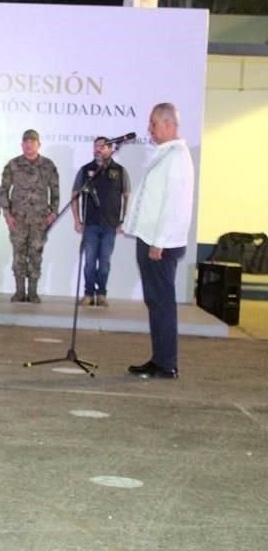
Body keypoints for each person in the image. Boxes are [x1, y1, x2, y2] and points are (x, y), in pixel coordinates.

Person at [125, 103, 194, 379]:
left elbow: (173, 205)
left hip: (160, 243)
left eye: (153, 123)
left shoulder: (176, 156)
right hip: (151, 238)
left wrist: (160, 241)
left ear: (168, 124)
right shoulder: (165, 154)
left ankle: (167, 363)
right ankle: (160, 358)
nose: (149, 129)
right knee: (155, 301)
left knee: (162, 301)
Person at [0, 129, 59, 303]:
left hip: (40, 220)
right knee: (18, 255)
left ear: (38, 144)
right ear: (22, 144)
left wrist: (53, 212)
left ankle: (32, 292)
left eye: (32, 141)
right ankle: (19, 291)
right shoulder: (13, 165)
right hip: (18, 219)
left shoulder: (48, 165)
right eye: (25, 141)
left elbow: (55, 191)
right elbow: (3, 191)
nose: (28, 144)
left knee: (36, 255)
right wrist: (7, 214)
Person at [71, 136, 131, 307]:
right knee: (89, 261)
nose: (98, 149)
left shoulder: (120, 171)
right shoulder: (85, 170)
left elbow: (126, 196)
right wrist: (77, 220)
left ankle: (102, 294)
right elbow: (74, 196)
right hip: (90, 224)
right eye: (96, 146)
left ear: (111, 149)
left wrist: (123, 220)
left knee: (104, 262)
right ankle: (88, 293)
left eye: (102, 147)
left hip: (110, 225)